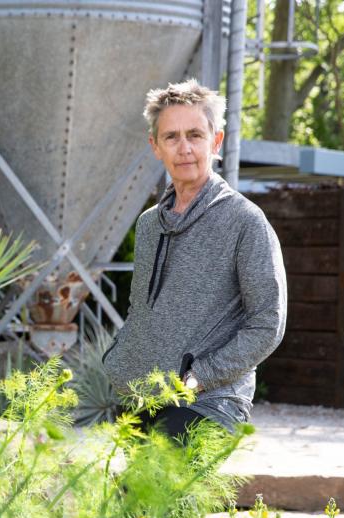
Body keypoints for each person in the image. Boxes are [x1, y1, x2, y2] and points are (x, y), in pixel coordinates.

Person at [102, 79, 287, 439]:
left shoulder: (245, 221)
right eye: (171, 137)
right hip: (142, 401)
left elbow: (268, 323)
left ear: (215, 142)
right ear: (155, 146)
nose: (184, 147)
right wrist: (120, 362)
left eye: (195, 135)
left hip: (209, 403)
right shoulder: (148, 224)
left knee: (151, 492)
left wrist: (201, 377)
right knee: (134, 497)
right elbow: (140, 309)